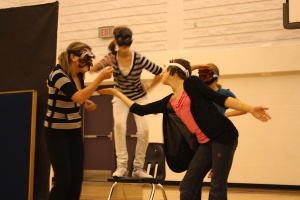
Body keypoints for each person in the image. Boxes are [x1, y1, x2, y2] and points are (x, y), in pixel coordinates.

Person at [98, 58, 271, 200]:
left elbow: (218, 98)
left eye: (165, 70)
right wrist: (116, 93)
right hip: (205, 143)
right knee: (188, 185)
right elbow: (140, 109)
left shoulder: (193, 83)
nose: (162, 74)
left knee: (217, 187)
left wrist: (249, 108)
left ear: (174, 72)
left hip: (223, 137)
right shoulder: (170, 100)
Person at [90, 26, 163, 178]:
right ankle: (122, 166)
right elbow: (93, 70)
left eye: (127, 46)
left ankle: (138, 168)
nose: (124, 50)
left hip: (138, 97)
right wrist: (102, 70)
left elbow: (159, 73)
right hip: (120, 96)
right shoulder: (111, 58)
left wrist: (149, 87)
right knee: (119, 126)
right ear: (116, 43)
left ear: (131, 43)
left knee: (144, 130)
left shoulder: (139, 59)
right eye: (121, 46)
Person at [44, 41, 114, 200]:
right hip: (56, 133)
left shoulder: (79, 76)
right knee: (63, 181)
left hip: (74, 131)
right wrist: (100, 78)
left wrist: (84, 102)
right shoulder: (58, 74)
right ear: (73, 57)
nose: (89, 61)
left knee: (76, 180)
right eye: (85, 57)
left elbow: (77, 97)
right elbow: (78, 95)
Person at [193, 63, 247, 179]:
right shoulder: (199, 93)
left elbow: (242, 109)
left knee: (217, 174)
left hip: (219, 135)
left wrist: (227, 115)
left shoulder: (225, 93)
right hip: (203, 136)